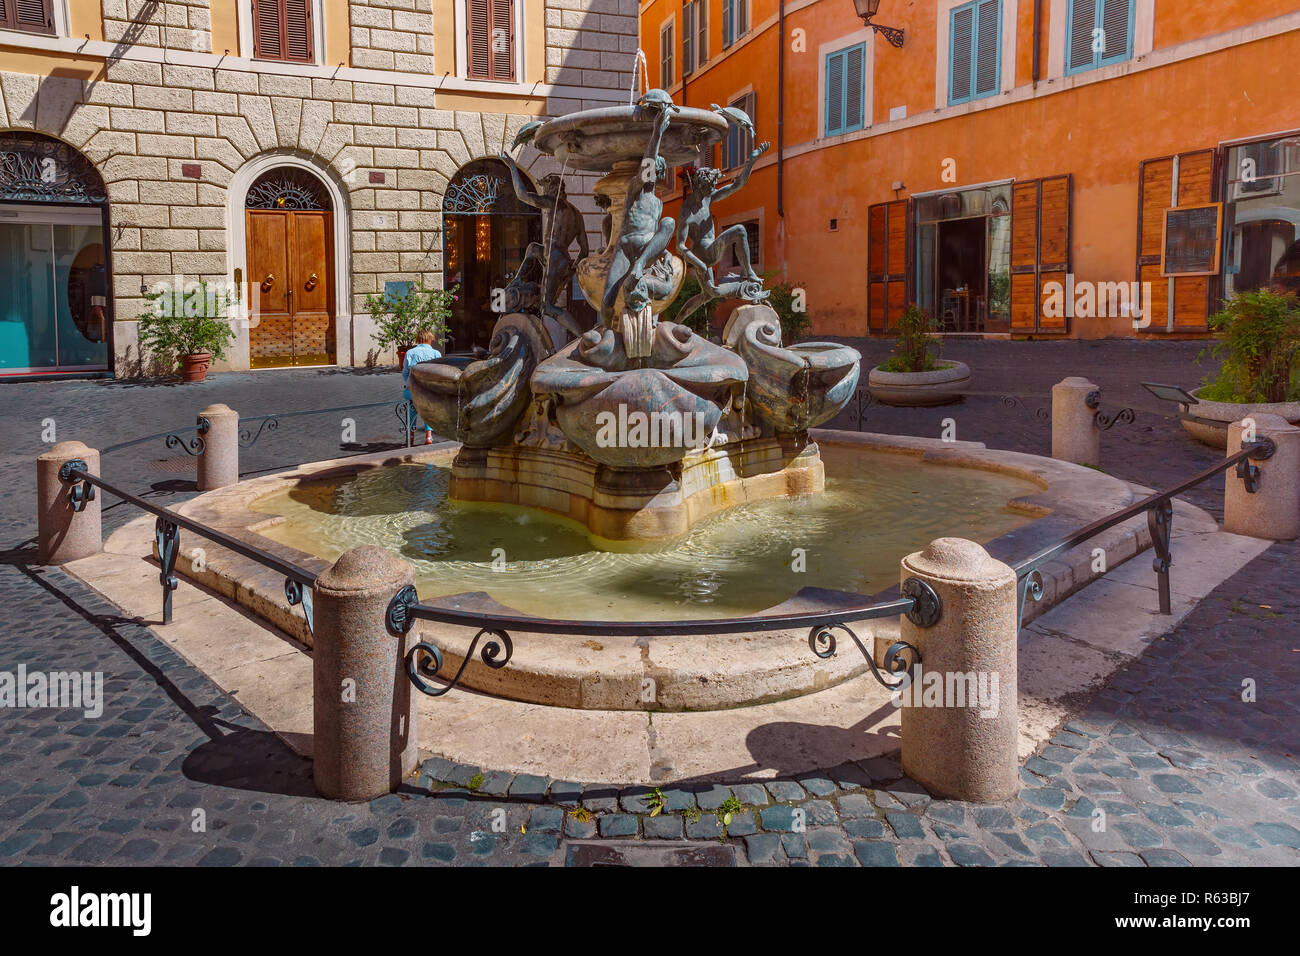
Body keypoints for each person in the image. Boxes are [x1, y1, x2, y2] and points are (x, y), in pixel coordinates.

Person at [402, 329, 441, 445]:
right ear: (429, 339)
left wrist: (410, 382)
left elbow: (405, 372)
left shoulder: (410, 353)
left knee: (412, 410)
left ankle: (411, 436)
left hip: (412, 390)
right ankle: (428, 437)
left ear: (418, 339)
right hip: (428, 390)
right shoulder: (436, 354)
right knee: (428, 410)